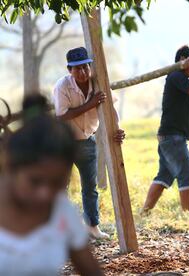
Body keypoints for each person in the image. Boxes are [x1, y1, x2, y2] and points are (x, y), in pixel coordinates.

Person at [0, 95, 102, 275]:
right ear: (10, 168)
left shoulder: (62, 211)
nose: (45, 193)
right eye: (35, 181)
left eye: (57, 183)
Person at [53, 47, 125, 239]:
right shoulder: (62, 86)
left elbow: (111, 108)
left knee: (90, 187)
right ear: (69, 70)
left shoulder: (98, 83)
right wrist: (90, 104)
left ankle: (92, 227)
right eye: (78, 69)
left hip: (87, 141)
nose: (83, 73)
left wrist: (117, 129)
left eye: (85, 67)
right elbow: (61, 116)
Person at [142, 45, 189, 212]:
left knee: (164, 175)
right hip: (172, 135)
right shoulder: (176, 75)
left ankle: (144, 211)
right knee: (188, 174)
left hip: (171, 135)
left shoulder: (186, 78)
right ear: (183, 59)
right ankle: (186, 214)